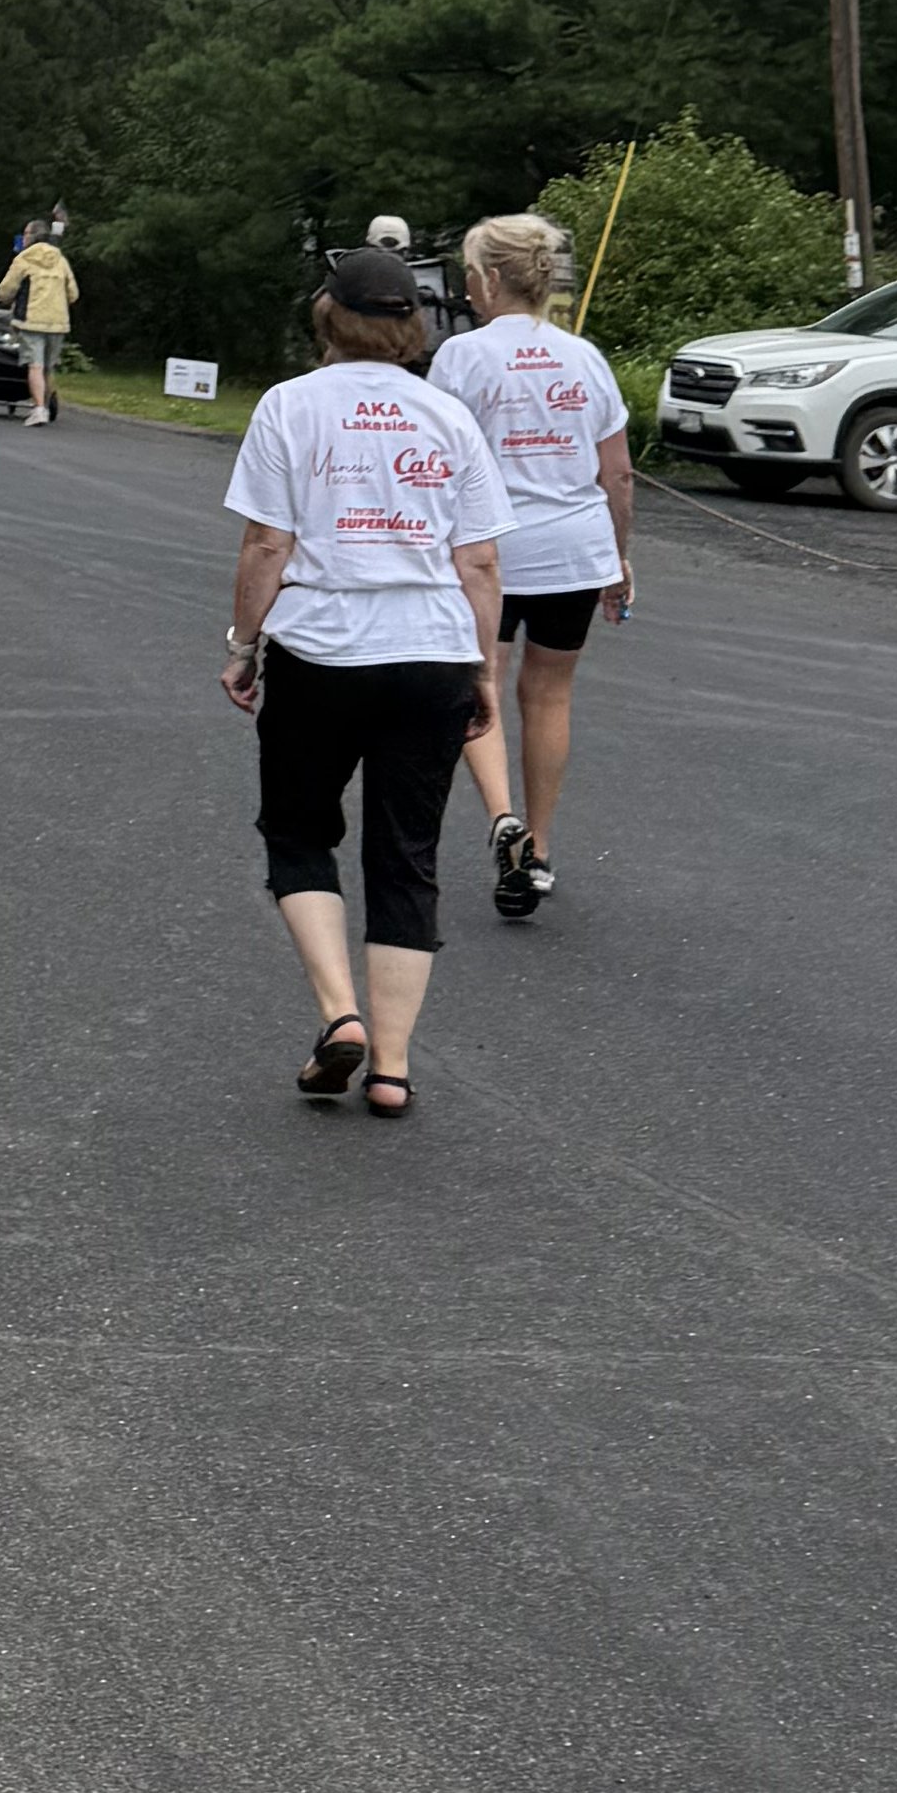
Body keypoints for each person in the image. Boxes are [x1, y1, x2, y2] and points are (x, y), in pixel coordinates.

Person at [217, 246, 510, 1122]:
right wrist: (481, 670)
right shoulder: (447, 415)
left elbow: (267, 545)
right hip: (429, 654)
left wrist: (243, 644)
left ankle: (338, 1013)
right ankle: (391, 1066)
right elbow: (482, 559)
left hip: (320, 652)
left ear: (328, 314)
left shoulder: (288, 407)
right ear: (410, 323)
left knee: (301, 831)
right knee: (405, 855)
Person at [424, 211, 636, 920]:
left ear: (487, 279)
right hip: (574, 548)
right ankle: (539, 848)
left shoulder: (462, 356)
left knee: (478, 683)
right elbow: (619, 475)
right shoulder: (587, 357)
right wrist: (619, 556)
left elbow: (440, 465)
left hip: (490, 550)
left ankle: (501, 819)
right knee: (550, 697)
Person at [0, 212, 78, 428]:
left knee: (34, 365)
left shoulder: (24, 259)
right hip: (58, 321)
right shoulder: (60, 259)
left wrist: (5, 299)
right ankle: (47, 402)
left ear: (31, 237)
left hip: (31, 319)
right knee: (48, 367)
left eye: (25, 234)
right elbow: (73, 293)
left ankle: (39, 408)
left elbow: (7, 289)